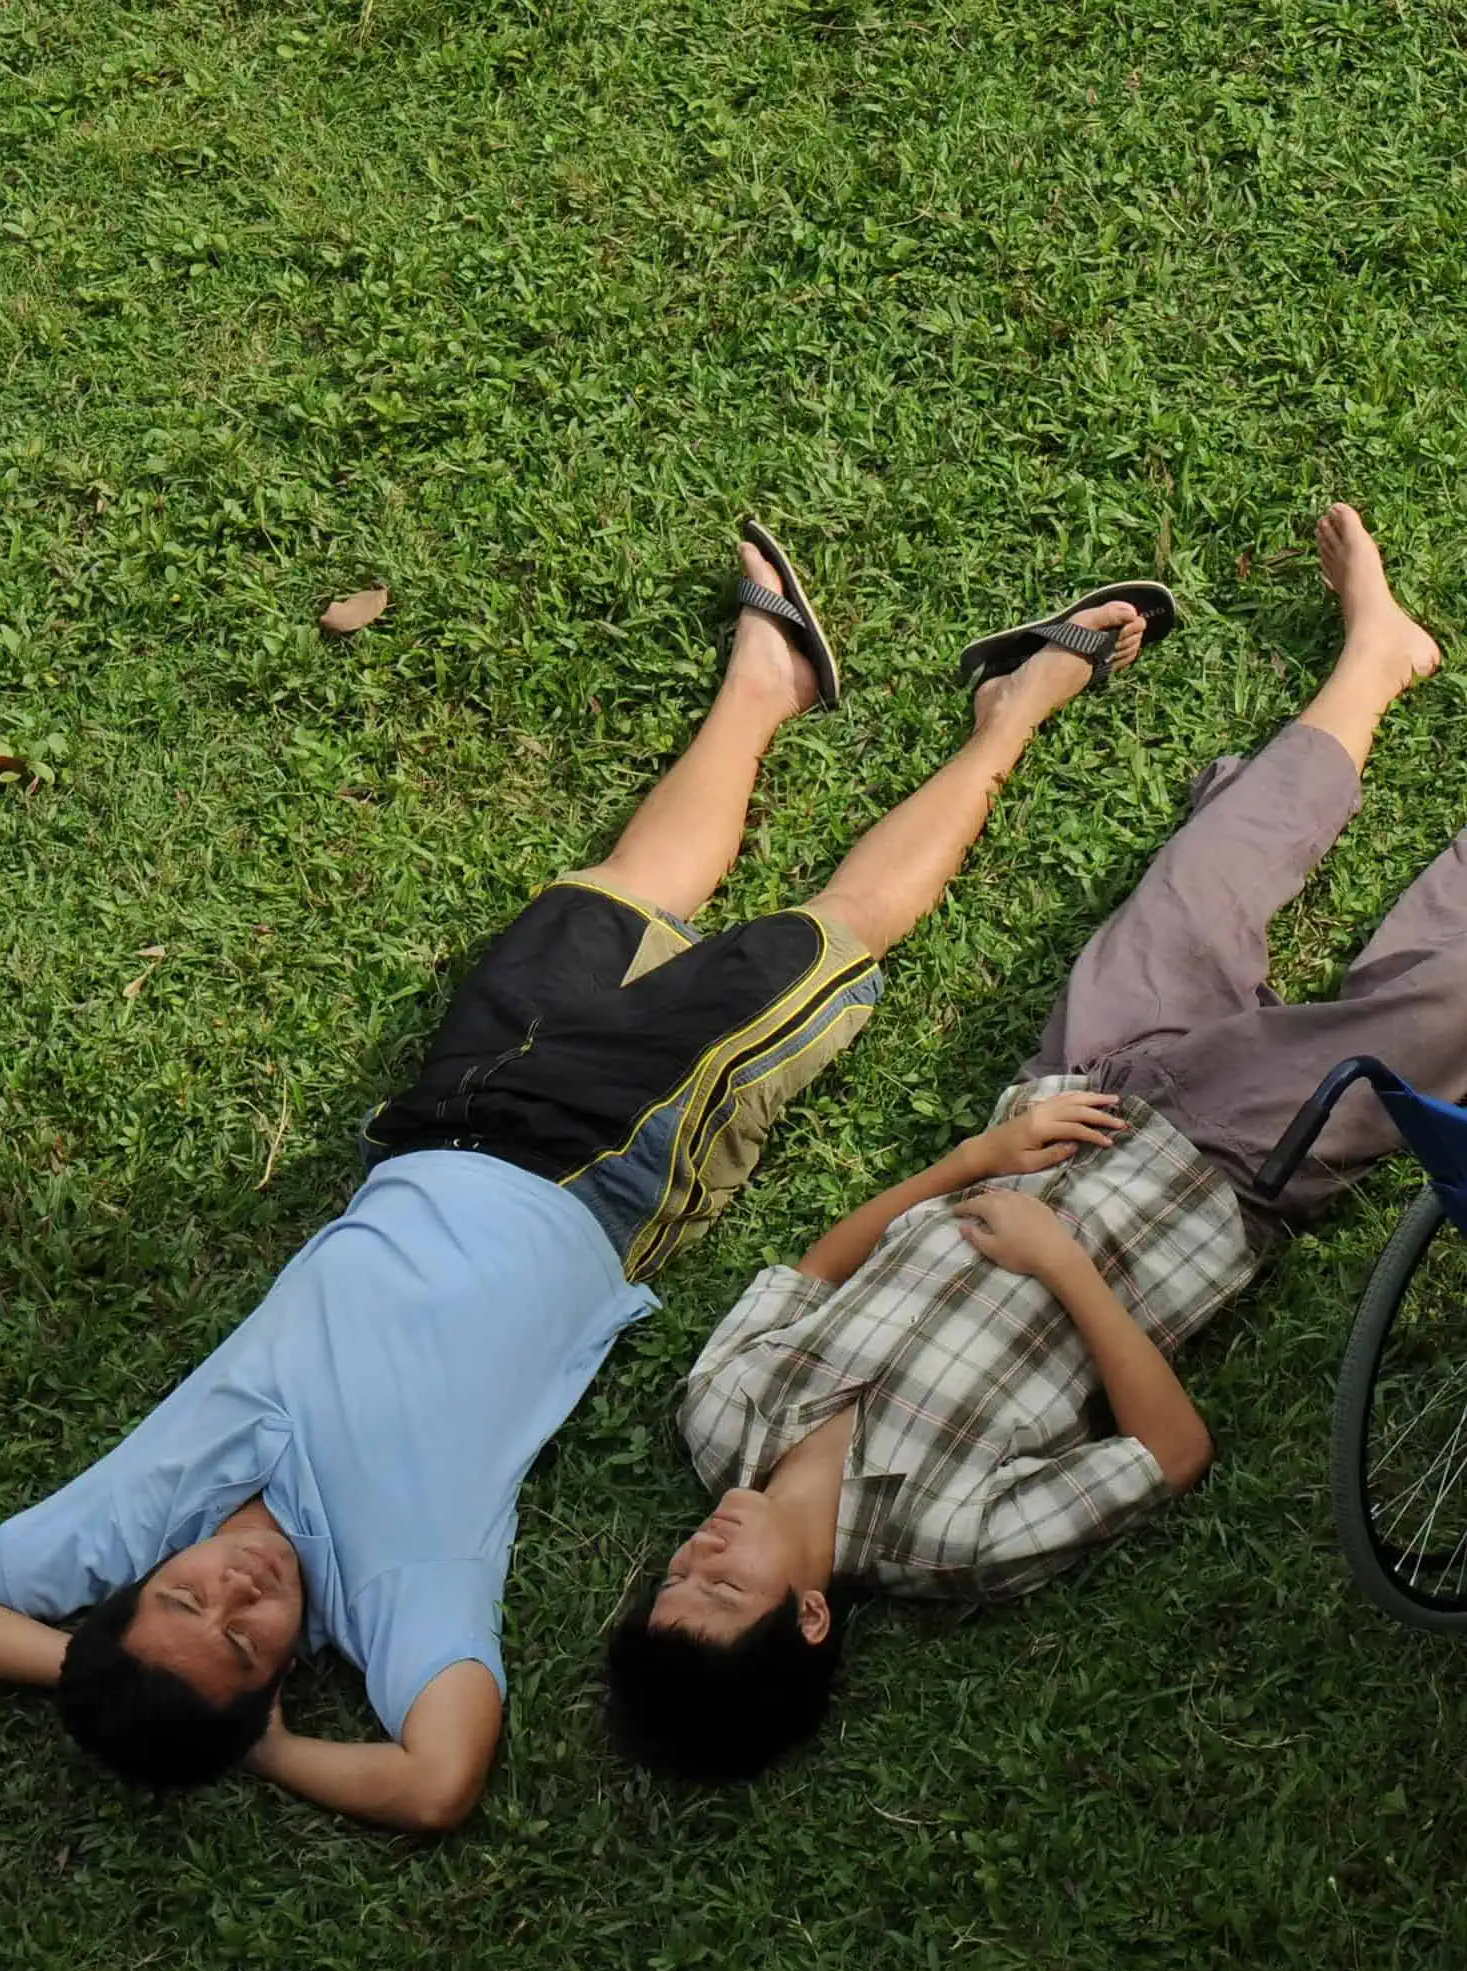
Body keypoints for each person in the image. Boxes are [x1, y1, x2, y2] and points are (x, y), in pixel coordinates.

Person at [0, 521, 1159, 1829]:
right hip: (609, 1172)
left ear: (133, 1593)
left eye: (183, 1600)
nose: (233, 1591)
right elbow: (437, 1780)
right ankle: (1018, 707)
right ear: (279, 1684)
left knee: (607, 899)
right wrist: (245, 1740)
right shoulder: (398, 1582)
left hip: (438, 1128)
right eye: (248, 1640)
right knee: (816, 941)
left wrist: (106, 1669)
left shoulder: (134, 1515)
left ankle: (766, 686)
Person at [608, 502, 1455, 1784]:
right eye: (720, 1592)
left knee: (1201, 875)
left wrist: (966, 1167)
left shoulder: (719, 1414)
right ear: (811, 1613)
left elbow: (818, 1269)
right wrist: (1060, 1260)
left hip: (1066, 1097)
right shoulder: (956, 1543)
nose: (700, 1552)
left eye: (675, 1575)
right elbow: (1170, 1455)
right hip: (1215, 1182)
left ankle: (1376, 657)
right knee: (1431, 1007)